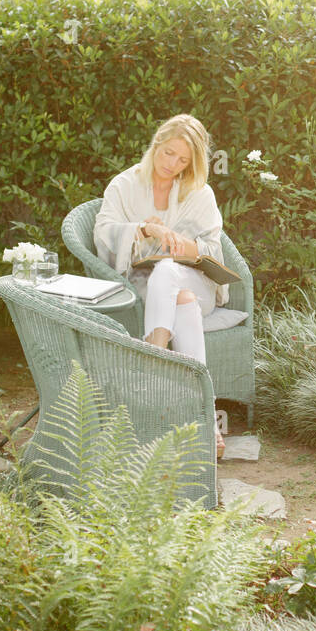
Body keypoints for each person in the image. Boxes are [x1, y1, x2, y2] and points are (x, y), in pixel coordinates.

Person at [92, 114, 230, 457]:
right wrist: (141, 229)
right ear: (156, 144)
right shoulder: (124, 185)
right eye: (168, 153)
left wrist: (186, 246)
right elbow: (103, 232)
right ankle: (207, 423)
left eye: (183, 160)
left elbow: (214, 250)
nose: (172, 164)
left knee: (171, 273)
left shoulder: (199, 193)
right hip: (146, 284)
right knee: (179, 297)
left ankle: (152, 359)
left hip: (197, 282)